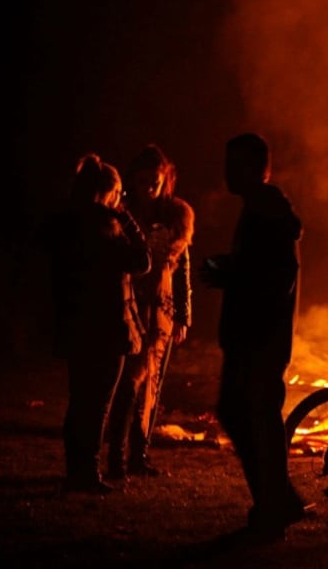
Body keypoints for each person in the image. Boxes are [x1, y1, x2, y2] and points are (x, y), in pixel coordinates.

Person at [199, 133, 306, 543]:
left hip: (260, 336)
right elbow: (261, 269)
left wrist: (232, 274)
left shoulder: (269, 213)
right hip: (251, 334)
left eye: (236, 165)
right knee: (246, 415)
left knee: (255, 417)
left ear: (258, 169)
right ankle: (278, 500)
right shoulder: (259, 210)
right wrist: (231, 267)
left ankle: (274, 508)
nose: (227, 173)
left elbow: (276, 278)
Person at [41, 153, 151, 493]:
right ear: (110, 192)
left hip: (77, 324)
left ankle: (76, 469)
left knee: (79, 400)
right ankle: (86, 474)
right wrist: (128, 219)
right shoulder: (107, 225)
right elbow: (142, 261)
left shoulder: (67, 221)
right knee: (98, 402)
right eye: (118, 194)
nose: (121, 199)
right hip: (107, 326)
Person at [107, 144, 194, 479]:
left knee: (152, 384)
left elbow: (182, 266)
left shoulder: (177, 216)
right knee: (128, 382)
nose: (148, 188)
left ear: (164, 181)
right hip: (130, 305)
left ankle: (138, 455)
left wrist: (184, 314)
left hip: (163, 307)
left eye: (154, 182)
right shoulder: (123, 214)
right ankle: (115, 454)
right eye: (142, 181)